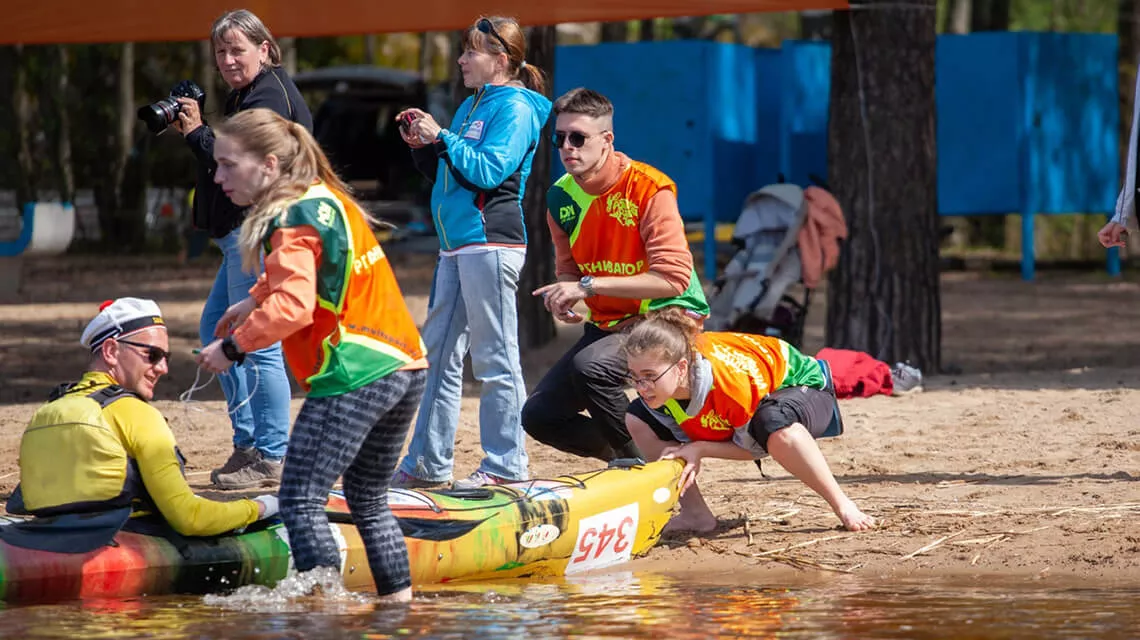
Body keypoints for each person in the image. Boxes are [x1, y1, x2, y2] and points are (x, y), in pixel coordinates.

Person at [195, 108, 428, 602]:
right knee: (367, 499)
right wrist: (252, 297)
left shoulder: (288, 217)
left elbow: (295, 306)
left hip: (355, 373)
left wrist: (233, 348)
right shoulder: (325, 197)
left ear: (270, 164)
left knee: (299, 499)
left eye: (227, 165)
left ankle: (321, 616)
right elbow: (314, 271)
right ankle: (398, 611)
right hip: (406, 363)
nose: (217, 177)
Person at [391, 15, 552, 490]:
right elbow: (452, 172)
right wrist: (425, 144)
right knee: (437, 356)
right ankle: (427, 463)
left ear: (500, 60)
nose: (461, 59)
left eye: (470, 52)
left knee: (494, 357)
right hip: (455, 245)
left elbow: (488, 172)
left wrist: (443, 137)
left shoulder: (517, 107)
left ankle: (506, 464)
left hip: (491, 242)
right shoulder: (469, 106)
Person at [522, 88, 709, 462]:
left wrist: (589, 286)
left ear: (607, 140)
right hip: (612, 321)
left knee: (590, 368)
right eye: (559, 138)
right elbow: (569, 270)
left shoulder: (649, 189)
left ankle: (635, 464)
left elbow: (672, 279)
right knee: (539, 416)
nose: (567, 148)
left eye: (578, 138)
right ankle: (650, 455)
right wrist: (567, 298)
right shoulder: (560, 197)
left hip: (669, 314)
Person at [4, 297, 277, 543]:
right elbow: (190, 517)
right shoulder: (136, 414)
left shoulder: (44, 413)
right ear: (110, 351)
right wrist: (262, 506)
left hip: (46, 543)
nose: (163, 368)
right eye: (153, 355)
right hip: (127, 548)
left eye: (165, 357)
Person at [176, 9, 314, 490]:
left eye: (238, 49)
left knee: (260, 344)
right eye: (221, 51)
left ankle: (269, 454)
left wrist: (197, 132)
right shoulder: (251, 93)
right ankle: (250, 443)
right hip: (241, 233)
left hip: (255, 231)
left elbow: (253, 163)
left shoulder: (270, 94)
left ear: (265, 48)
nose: (229, 59)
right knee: (215, 328)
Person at [622, 308, 876, 533]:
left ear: (680, 368)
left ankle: (843, 504)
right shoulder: (660, 383)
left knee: (774, 427)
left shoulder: (730, 387)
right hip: (734, 398)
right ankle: (696, 514)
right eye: (634, 376)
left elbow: (754, 449)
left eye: (649, 376)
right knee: (637, 418)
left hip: (805, 386)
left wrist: (699, 448)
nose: (641, 387)